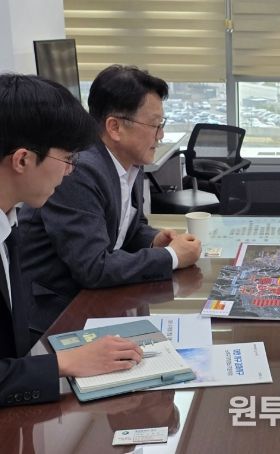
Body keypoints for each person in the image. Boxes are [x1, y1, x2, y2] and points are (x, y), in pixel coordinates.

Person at [18, 65, 201, 340]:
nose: (160, 135)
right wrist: (171, 256)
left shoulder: (130, 161)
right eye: (154, 125)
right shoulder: (79, 170)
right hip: (56, 315)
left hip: (98, 299)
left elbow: (129, 228)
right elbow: (93, 267)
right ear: (115, 127)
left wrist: (154, 240)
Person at [0, 74, 144, 407]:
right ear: (22, 160)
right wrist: (63, 363)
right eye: (67, 158)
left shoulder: (9, 222)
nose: (69, 171)